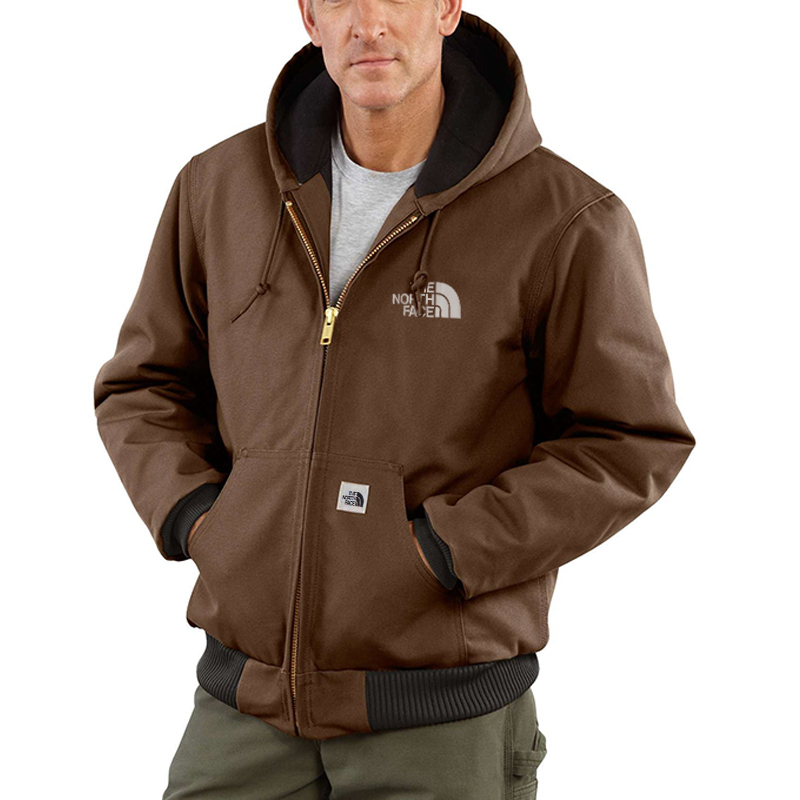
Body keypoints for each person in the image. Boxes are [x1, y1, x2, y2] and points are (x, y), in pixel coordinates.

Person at [93, 1, 696, 797]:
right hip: (244, 703)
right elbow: (144, 385)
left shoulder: (564, 219)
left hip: (439, 719)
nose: (369, 22)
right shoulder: (219, 188)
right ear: (309, 15)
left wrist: (444, 550)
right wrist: (200, 518)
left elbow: (629, 441)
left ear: (446, 8)